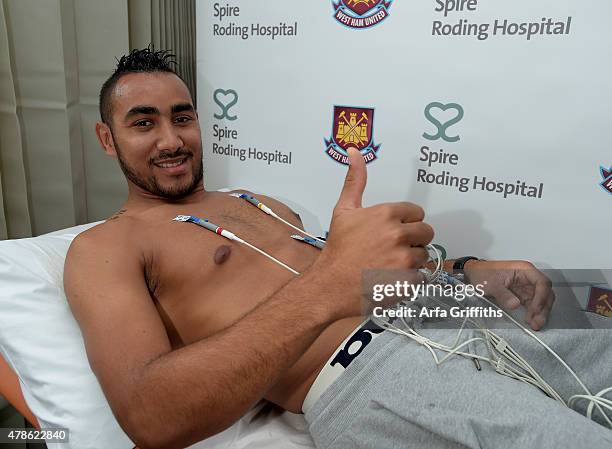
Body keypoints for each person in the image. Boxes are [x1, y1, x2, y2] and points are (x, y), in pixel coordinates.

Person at [64, 48, 610, 449]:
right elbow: (150, 416)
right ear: (107, 138)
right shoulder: (105, 247)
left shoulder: (262, 204)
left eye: (182, 117)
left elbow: (359, 283)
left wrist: (467, 271)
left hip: (443, 309)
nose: (171, 139)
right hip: (371, 372)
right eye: (143, 123)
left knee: (598, 320)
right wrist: (326, 286)